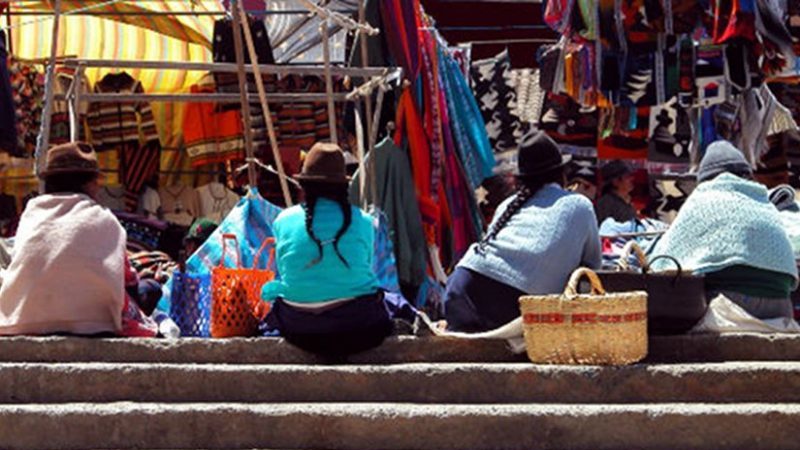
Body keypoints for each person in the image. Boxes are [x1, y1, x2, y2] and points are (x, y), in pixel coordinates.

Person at [444, 131, 602, 332]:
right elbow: (592, 268)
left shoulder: (508, 205)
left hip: (462, 287)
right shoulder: (579, 204)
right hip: (516, 305)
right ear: (561, 173)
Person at [261, 143, 407, 357]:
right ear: (342, 186)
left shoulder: (282, 220)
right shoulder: (365, 222)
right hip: (356, 324)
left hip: (298, 325)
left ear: (304, 185)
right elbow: (365, 268)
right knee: (392, 302)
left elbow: (285, 272)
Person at [0, 142, 156, 336]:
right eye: (96, 182)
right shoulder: (104, 218)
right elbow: (129, 282)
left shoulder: (31, 214)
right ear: (89, 184)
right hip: (95, 324)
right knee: (150, 289)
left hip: (23, 321)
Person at [650, 140, 799, 320]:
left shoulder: (703, 198)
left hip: (729, 305)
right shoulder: (763, 200)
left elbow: (662, 263)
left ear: (704, 178)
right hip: (780, 307)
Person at [595, 160, 637, 224]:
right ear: (615, 182)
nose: (632, 179)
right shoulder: (606, 204)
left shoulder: (628, 202)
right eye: (627, 177)